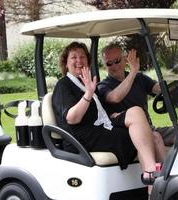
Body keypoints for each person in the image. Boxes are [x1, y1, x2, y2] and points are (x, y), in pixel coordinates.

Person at [52, 41, 163, 188]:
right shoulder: (64, 85)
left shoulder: (85, 83)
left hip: (102, 130)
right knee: (150, 138)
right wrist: (88, 94)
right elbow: (72, 118)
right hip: (83, 137)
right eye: (73, 57)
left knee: (142, 119)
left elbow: (99, 112)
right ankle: (154, 178)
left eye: (82, 57)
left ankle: (157, 182)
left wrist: (110, 115)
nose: (79, 61)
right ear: (66, 63)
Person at [98, 42, 178, 146]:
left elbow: (159, 89)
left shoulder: (139, 78)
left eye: (117, 61)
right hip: (125, 135)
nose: (114, 66)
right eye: (109, 63)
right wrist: (133, 71)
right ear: (105, 66)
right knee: (158, 137)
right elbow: (115, 97)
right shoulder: (103, 86)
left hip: (148, 129)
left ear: (124, 59)